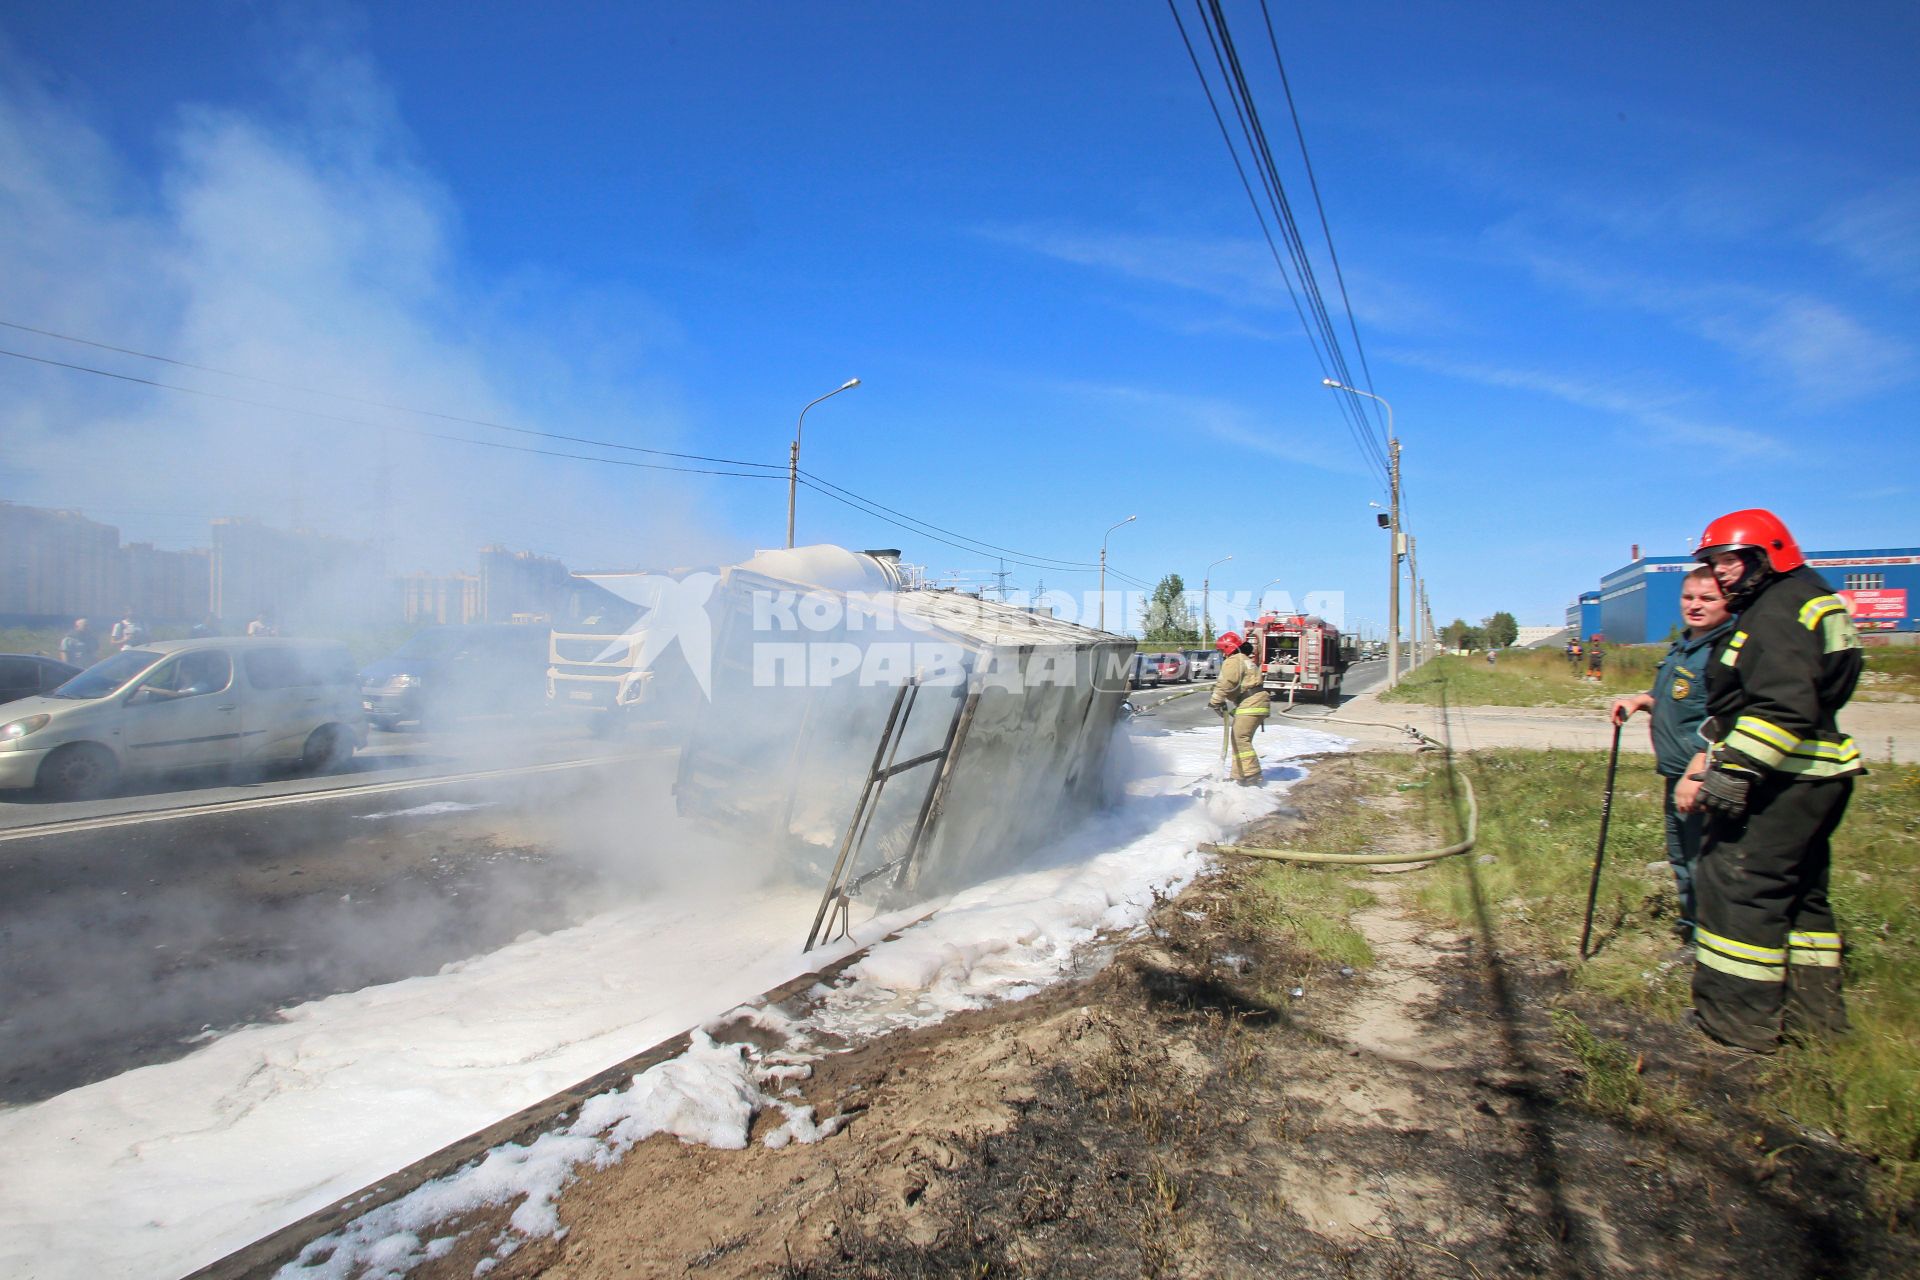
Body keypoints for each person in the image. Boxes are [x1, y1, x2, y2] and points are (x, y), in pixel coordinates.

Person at [1687, 508, 1862, 1053]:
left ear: (1768, 555)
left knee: (1741, 887)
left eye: (1730, 562)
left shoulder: (1780, 607)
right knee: (1804, 895)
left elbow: (1782, 705)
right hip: (1818, 773)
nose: (1721, 575)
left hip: (1783, 778)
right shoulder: (1807, 598)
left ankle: (1737, 1023)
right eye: (1716, 565)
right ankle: (1817, 1021)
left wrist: (1736, 769)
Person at [1609, 568, 1734, 941]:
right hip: (1677, 774)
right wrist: (1638, 702)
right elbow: (1671, 697)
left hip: (1703, 779)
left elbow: (1728, 717)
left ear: (1728, 600)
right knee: (1681, 856)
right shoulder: (1684, 647)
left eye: (1707, 598)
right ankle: (1690, 928)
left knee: (1703, 862)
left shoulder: (1724, 651)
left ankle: (1710, 942)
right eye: (1689, 598)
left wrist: (1698, 770)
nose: (1695, 606)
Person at [1208, 630, 1270, 786]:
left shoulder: (1234, 660)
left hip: (1251, 702)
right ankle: (1239, 775)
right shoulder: (1243, 659)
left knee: (1240, 738)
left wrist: (1215, 701)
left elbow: (1226, 682)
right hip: (1255, 700)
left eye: (1223, 650)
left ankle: (1251, 774)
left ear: (1228, 648)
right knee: (1239, 738)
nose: (1222, 655)